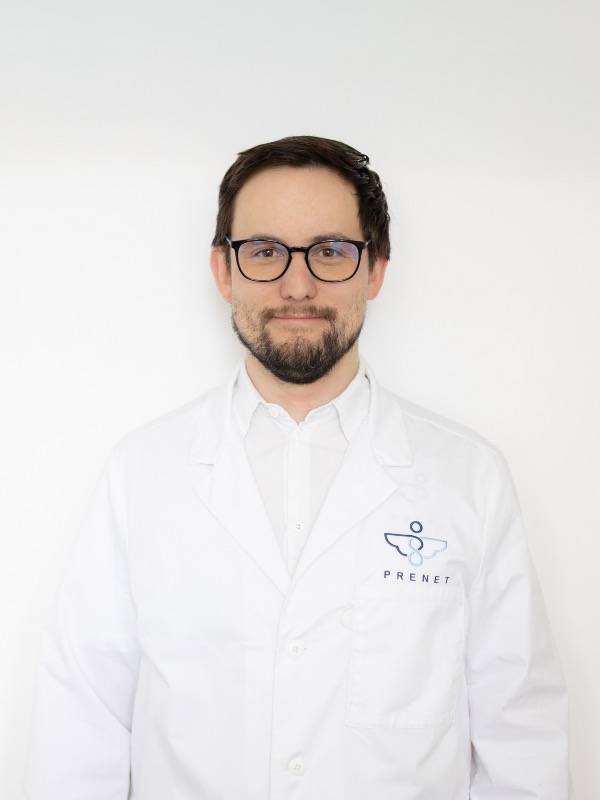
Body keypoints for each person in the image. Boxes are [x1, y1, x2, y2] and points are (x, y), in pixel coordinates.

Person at [25, 136, 572, 799]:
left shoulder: (469, 478)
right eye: (264, 251)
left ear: (375, 270)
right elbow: (81, 725)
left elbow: (522, 736)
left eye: (330, 251)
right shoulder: (142, 473)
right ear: (224, 271)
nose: (297, 285)